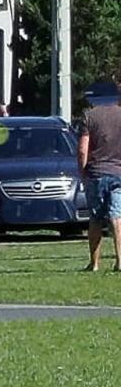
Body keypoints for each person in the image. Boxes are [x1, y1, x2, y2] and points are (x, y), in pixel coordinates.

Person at [79, 80, 121, 272]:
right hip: (118, 172)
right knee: (117, 216)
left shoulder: (89, 117)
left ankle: (94, 263)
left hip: (96, 173)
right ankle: (120, 261)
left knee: (96, 218)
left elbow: (83, 149)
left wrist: (83, 171)